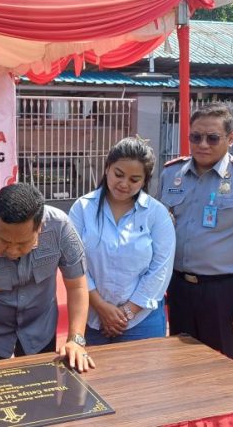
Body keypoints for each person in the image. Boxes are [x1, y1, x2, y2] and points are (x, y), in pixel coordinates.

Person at [158, 102, 233, 366]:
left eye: (212, 138)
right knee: (181, 367)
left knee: (225, 370)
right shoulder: (172, 173)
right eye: (195, 137)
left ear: (231, 138)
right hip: (180, 289)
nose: (202, 144)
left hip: (225, 292)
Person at [0, 183, 94, 382]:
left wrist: (76, 339)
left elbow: (77, 286)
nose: (12, 251)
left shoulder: (61, 228)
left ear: (40, 228)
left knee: (41, 392)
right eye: (4, 241)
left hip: (40, 328)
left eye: (22, 243)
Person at [69, 137, 175, 344]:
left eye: (134, 179)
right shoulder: (82, 209)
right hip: (92, 316)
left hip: (142, 319)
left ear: (145, 181)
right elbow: (74, 264)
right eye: (118, 174)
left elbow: (160, 269)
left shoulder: (156, 214)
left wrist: (126, 313)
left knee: (144, 376)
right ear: (107, 168)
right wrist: (101, 307)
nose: (124, 184)